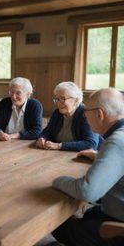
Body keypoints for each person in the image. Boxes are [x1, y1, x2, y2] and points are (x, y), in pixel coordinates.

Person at [52, 88, 124, 246]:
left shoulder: (116, 142)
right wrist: (100, 155)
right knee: (88, 214)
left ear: (99, 114)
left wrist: (56, 180)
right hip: (114, 209)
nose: (84, 114)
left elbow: (87, 191)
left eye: (86, 110)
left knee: (57, 223)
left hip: (118, 227)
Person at [35, 81, 101, 151]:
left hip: (84, 159)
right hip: (59, 155)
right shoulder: (57, 113)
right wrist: (42, 138)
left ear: (76, 100)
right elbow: (47, 132)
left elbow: (91, 144)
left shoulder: (87, 114)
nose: (58, 103)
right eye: (57, 99)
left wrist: (59, 146)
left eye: (63, 99)